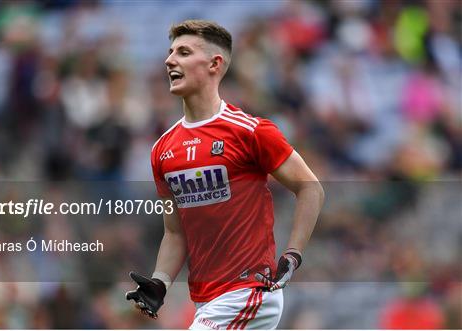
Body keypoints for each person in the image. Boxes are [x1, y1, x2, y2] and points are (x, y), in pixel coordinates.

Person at [126, 20, 324, 329]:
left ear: (214, 64)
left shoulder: (251, 131)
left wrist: (293, 254)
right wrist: (160, 282)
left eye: (184, 52)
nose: (170, 60)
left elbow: (310, 188)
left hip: (249, 293)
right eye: (170, 52)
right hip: (206, 300)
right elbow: (175, 232)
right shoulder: (162, 150)